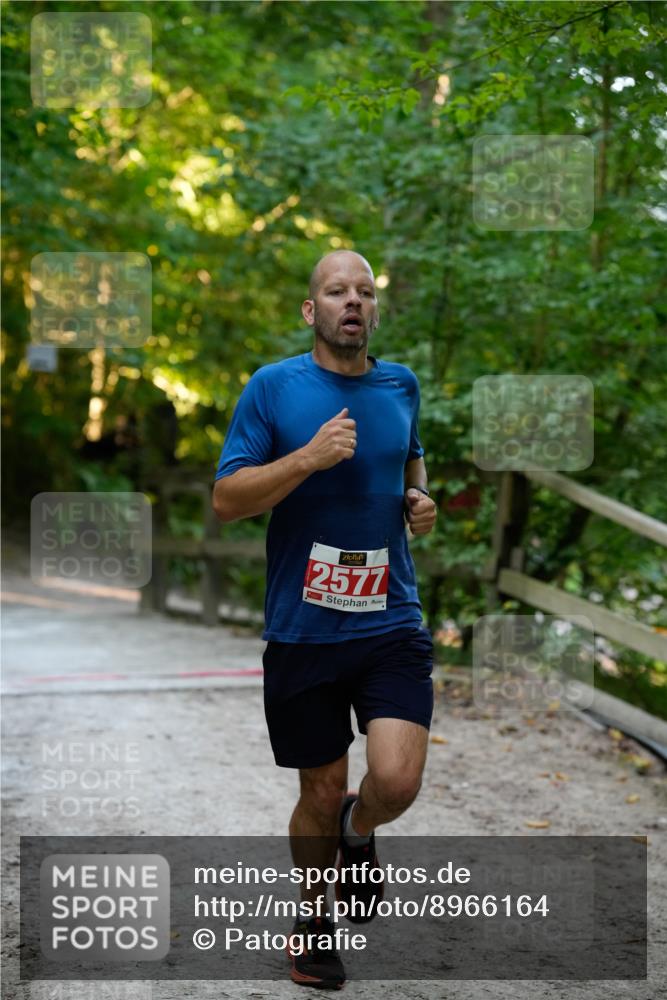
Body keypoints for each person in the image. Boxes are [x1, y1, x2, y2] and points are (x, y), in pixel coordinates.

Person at [212, 250, 437, 989]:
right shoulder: (273, 388)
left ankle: (359, 828)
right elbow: (228, 499)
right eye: (336, 291)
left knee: (396, 781)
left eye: (364, 293)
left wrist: (417, 500)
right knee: (316, 787)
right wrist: (306, 458)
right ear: (311, 311)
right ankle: (313, 923)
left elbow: (408, 460)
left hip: (389, 620)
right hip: (303, 628)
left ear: (375, 311)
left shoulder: (400, 384)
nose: (352, 302)